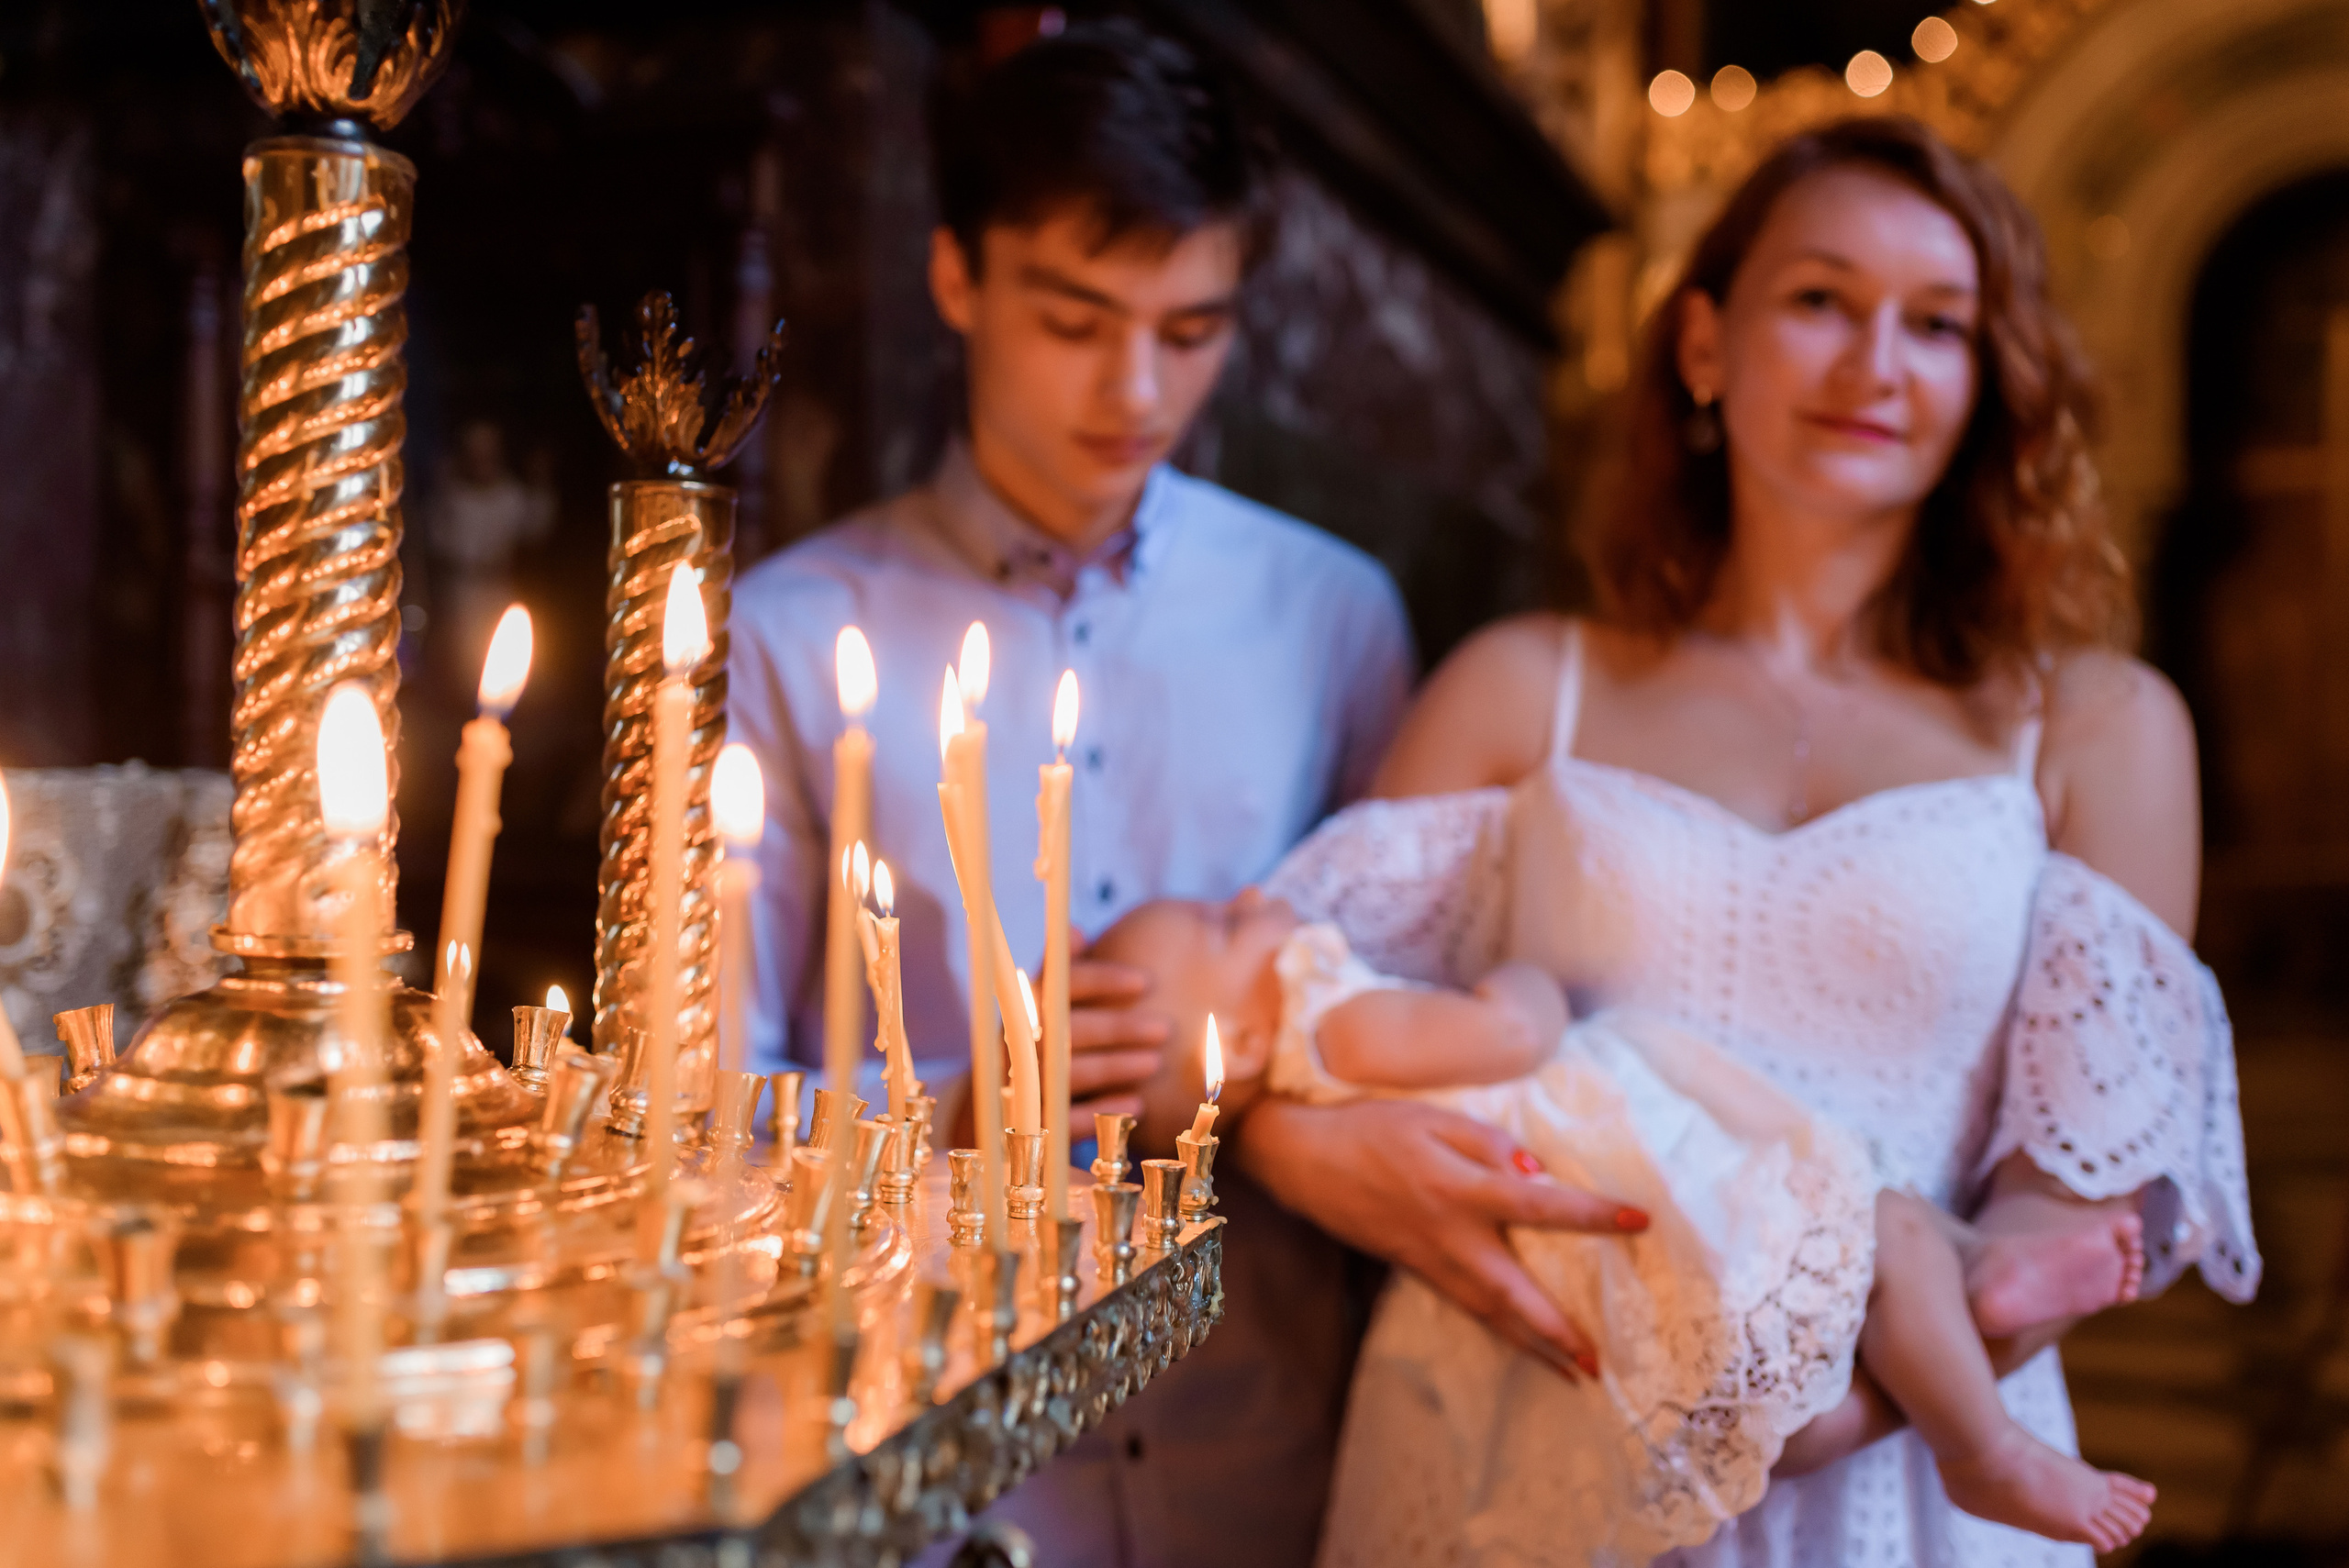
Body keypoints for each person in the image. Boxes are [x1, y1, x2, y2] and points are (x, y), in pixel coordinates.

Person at [1228, 116, 2257, 1567]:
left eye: (1938, 324)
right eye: (1821, 299)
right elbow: (1296, 1021)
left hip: (1907, 1471)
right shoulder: (1528, 686)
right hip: (1514, 1430)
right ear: (1704, 344)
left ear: (1990, 381)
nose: (1875, 364)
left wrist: (1766, 1416)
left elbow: (2069, 1219)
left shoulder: (2094, 727)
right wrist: (1288, 1144)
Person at [727, 20, 1419, 1565]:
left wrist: (1251, 1065)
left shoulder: (1336, 619)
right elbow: (689, 1119)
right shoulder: (786, 632)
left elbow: (1406, 1032)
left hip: (1274, 1465)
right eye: (1077, 315)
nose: (1137, 386)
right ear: (959, 275)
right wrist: (959, 1111)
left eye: (1193, 329)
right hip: (925, 1475)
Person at [1095, 850, 2172, 1563]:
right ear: (1233, 1047)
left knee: (1797, 1338)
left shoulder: (1308, 1033)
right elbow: (1505, 1039)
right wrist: (1524, 984)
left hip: (1582, 1222)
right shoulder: (1337, 1025)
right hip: (1619, 1164)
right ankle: (1980, 1427)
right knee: (1862, 1224)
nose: (1240, 898)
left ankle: (1987, 1275)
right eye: (1214, 927)